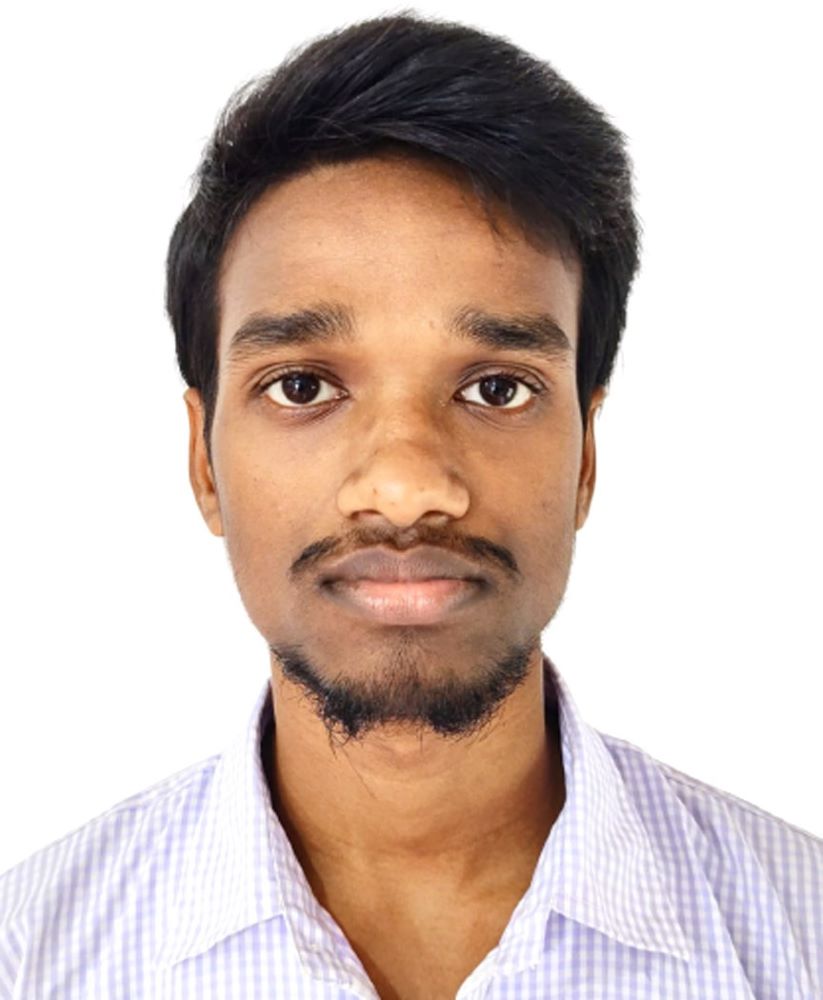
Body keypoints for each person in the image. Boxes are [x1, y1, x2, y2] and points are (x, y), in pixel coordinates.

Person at [1, 12, 820, 1000]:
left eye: (496, 389)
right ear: (203, 461)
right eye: (302, 386)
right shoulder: (31, 955)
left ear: (586, 458)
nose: (407, 486)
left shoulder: (800, 933)